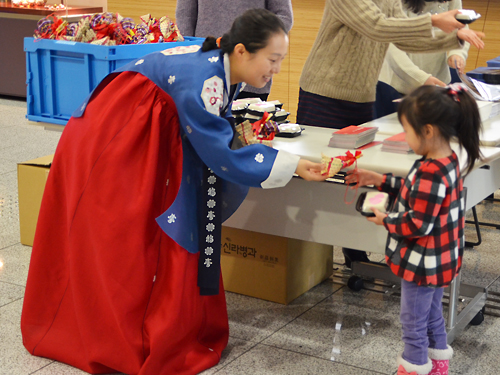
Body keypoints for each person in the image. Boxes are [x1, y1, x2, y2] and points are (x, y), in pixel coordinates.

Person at [20, 9, 327, 375]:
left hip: (123, 132)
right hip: (117, 143)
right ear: (243, 51)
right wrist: (292, 166)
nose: (276, 69)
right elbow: (220, 153)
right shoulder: (208, 79)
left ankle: (101, 327)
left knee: (124, 239)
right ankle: (118, 336)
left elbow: (211, 131)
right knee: (124, 241)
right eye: (273, 59)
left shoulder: (216, 63)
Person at [296, 0, 485, 267]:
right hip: (325, 94)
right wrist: (433, 21)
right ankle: (306, 257)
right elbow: (377, 27)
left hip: (362, 95)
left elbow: (403, 36)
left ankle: (355, 253)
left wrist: (452, 38)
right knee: (318, 173)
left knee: (357, 172)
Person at [345, 84, 482, 375]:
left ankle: (415, 367)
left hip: (423, 264)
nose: (405, 138)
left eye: (407, 131)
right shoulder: (446, 160)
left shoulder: (432, 171)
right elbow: (413, 190)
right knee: (431, 314)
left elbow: (418, 223)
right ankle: (438, 367)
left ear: (429, 131)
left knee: (412, 323)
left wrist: (385, 219)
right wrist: (378, 179)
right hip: (440, 261)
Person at [175, 0, 293, 101]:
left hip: (252, 72)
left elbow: (284, 16)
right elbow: (185, 15)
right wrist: (190, 54)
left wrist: (253, 43)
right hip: (205, 66)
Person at [375, 0, 470, 118]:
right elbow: (392, 47)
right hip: (399, 85)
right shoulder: (393, 3)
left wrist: (457, 53)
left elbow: (462, 27)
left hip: (436, 83)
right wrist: (421, 78)